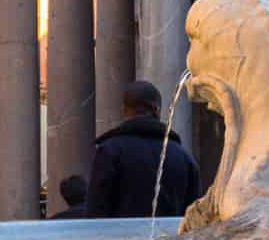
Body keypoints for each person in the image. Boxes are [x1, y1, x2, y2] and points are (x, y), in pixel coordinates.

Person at [86, 80, 202, 219]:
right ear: (157, 110)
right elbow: (194, 217)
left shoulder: (109, 152)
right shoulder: (183, 156)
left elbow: (95, 212)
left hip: (120, 239)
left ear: (124, 110)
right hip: (170, 239)